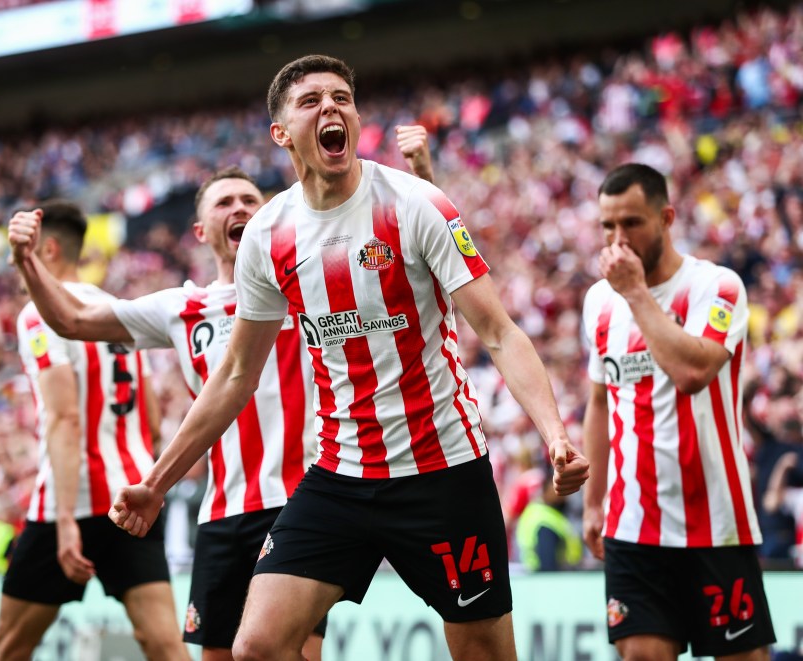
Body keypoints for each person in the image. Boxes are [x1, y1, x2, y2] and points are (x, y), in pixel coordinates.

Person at [108, 54, 588, 661]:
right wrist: (155, 483)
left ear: (356, 117)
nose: (331, 108)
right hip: (342, 473)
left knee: (483, 652)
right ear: (282, 134)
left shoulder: (417, 205)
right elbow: (233, 375)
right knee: (255, 646)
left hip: (442, 470)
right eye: (311, 101)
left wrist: (553, 433)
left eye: (342, 98)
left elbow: (499, 331)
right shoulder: (269, 233)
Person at [6, 126, 438, 661]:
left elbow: (410, 265)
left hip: (300, 506)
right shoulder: (182, 310)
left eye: (249, 200)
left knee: (295, 654)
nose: (238, 207)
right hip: (222, 512)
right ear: (200, 229)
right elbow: (72, 319)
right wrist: (27, 261)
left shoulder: (308, 285)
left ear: (269, 216)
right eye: (224, 202)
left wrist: (422, 176)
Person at [581, 163, 776, 660]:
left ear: (667, 217)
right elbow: (601, 402)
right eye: (607, 225)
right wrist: (593, 501)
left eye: (632, 223)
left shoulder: (718, 287)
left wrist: (637, 294)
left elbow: (693, 374)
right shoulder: (598, 302)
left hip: (717, 522)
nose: (617, 238)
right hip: (634, 526)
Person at [0, 200, 189, 661]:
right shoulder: (115, 310)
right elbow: (154, 419)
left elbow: (64, 417)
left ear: (49, 249)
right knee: (163, 644)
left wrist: (64, 523)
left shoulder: (38, 314)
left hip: (71, 503)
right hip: (131, 497)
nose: (14, 268)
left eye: (19, 256)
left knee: (10, 648)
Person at [515, 465, 582, 572]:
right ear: (546, 490)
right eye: (559, 487)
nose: (564, 494)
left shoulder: (545, 513)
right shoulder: (544, 520)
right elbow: (548, 564)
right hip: (549, 581)